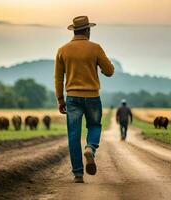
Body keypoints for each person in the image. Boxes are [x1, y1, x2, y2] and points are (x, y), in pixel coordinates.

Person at [55, 16, 114, 183]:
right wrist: (102, 67)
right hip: (93, 96)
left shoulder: (62, 50)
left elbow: (58, 78)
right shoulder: (95, 48)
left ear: (74, 30)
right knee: (94, 125)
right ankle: (90, 148)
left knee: (73, 134)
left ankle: (78, 174)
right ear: (87, 30)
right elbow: (109, 71)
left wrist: (60, 99)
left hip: (72, 98)